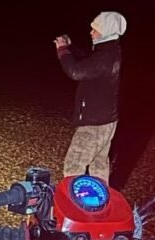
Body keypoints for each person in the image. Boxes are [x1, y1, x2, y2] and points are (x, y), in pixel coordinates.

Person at [54, 11, 127, 184]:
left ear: (106, 31)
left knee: (74, 165)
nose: (91, 32)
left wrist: (62, 50)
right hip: (106, 120)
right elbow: (88, 63)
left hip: (94, 123)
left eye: (95, 29)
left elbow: (76, 71)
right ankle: (100, 199)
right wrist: (71, 47)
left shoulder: (105, 56)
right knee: (98, 165)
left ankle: (71, 199)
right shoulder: (109, 51)